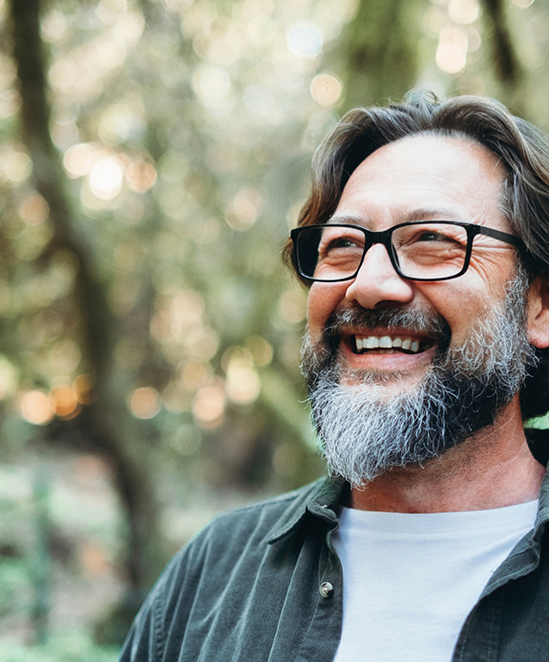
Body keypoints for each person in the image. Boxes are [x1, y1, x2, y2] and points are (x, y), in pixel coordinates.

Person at [119, 93, 549, 662]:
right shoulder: (212, 575)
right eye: (342, 246)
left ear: (539, 306)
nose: (367, 285)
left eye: (431, 241)